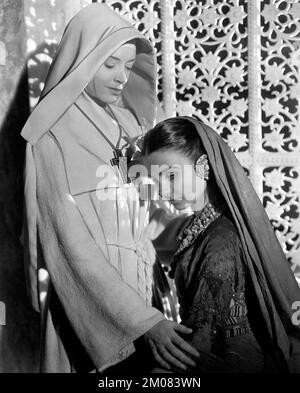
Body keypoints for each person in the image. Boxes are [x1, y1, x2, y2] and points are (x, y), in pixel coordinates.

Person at [20, 4, 199, 373]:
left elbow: (149, 220)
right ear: (84, 60)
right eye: (110, 63)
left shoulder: (125, 131)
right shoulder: (50, 139)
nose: (121, 77)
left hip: (148, 308)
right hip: (94, 318)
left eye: (129, 67)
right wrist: (140, 321)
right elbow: (71, 247)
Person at [141, 116, 300, 373]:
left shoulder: (221, 239)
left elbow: (208, 335)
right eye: (155, 180)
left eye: (171, 176)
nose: (162, 191)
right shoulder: (199, 225)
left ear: (204, 166)